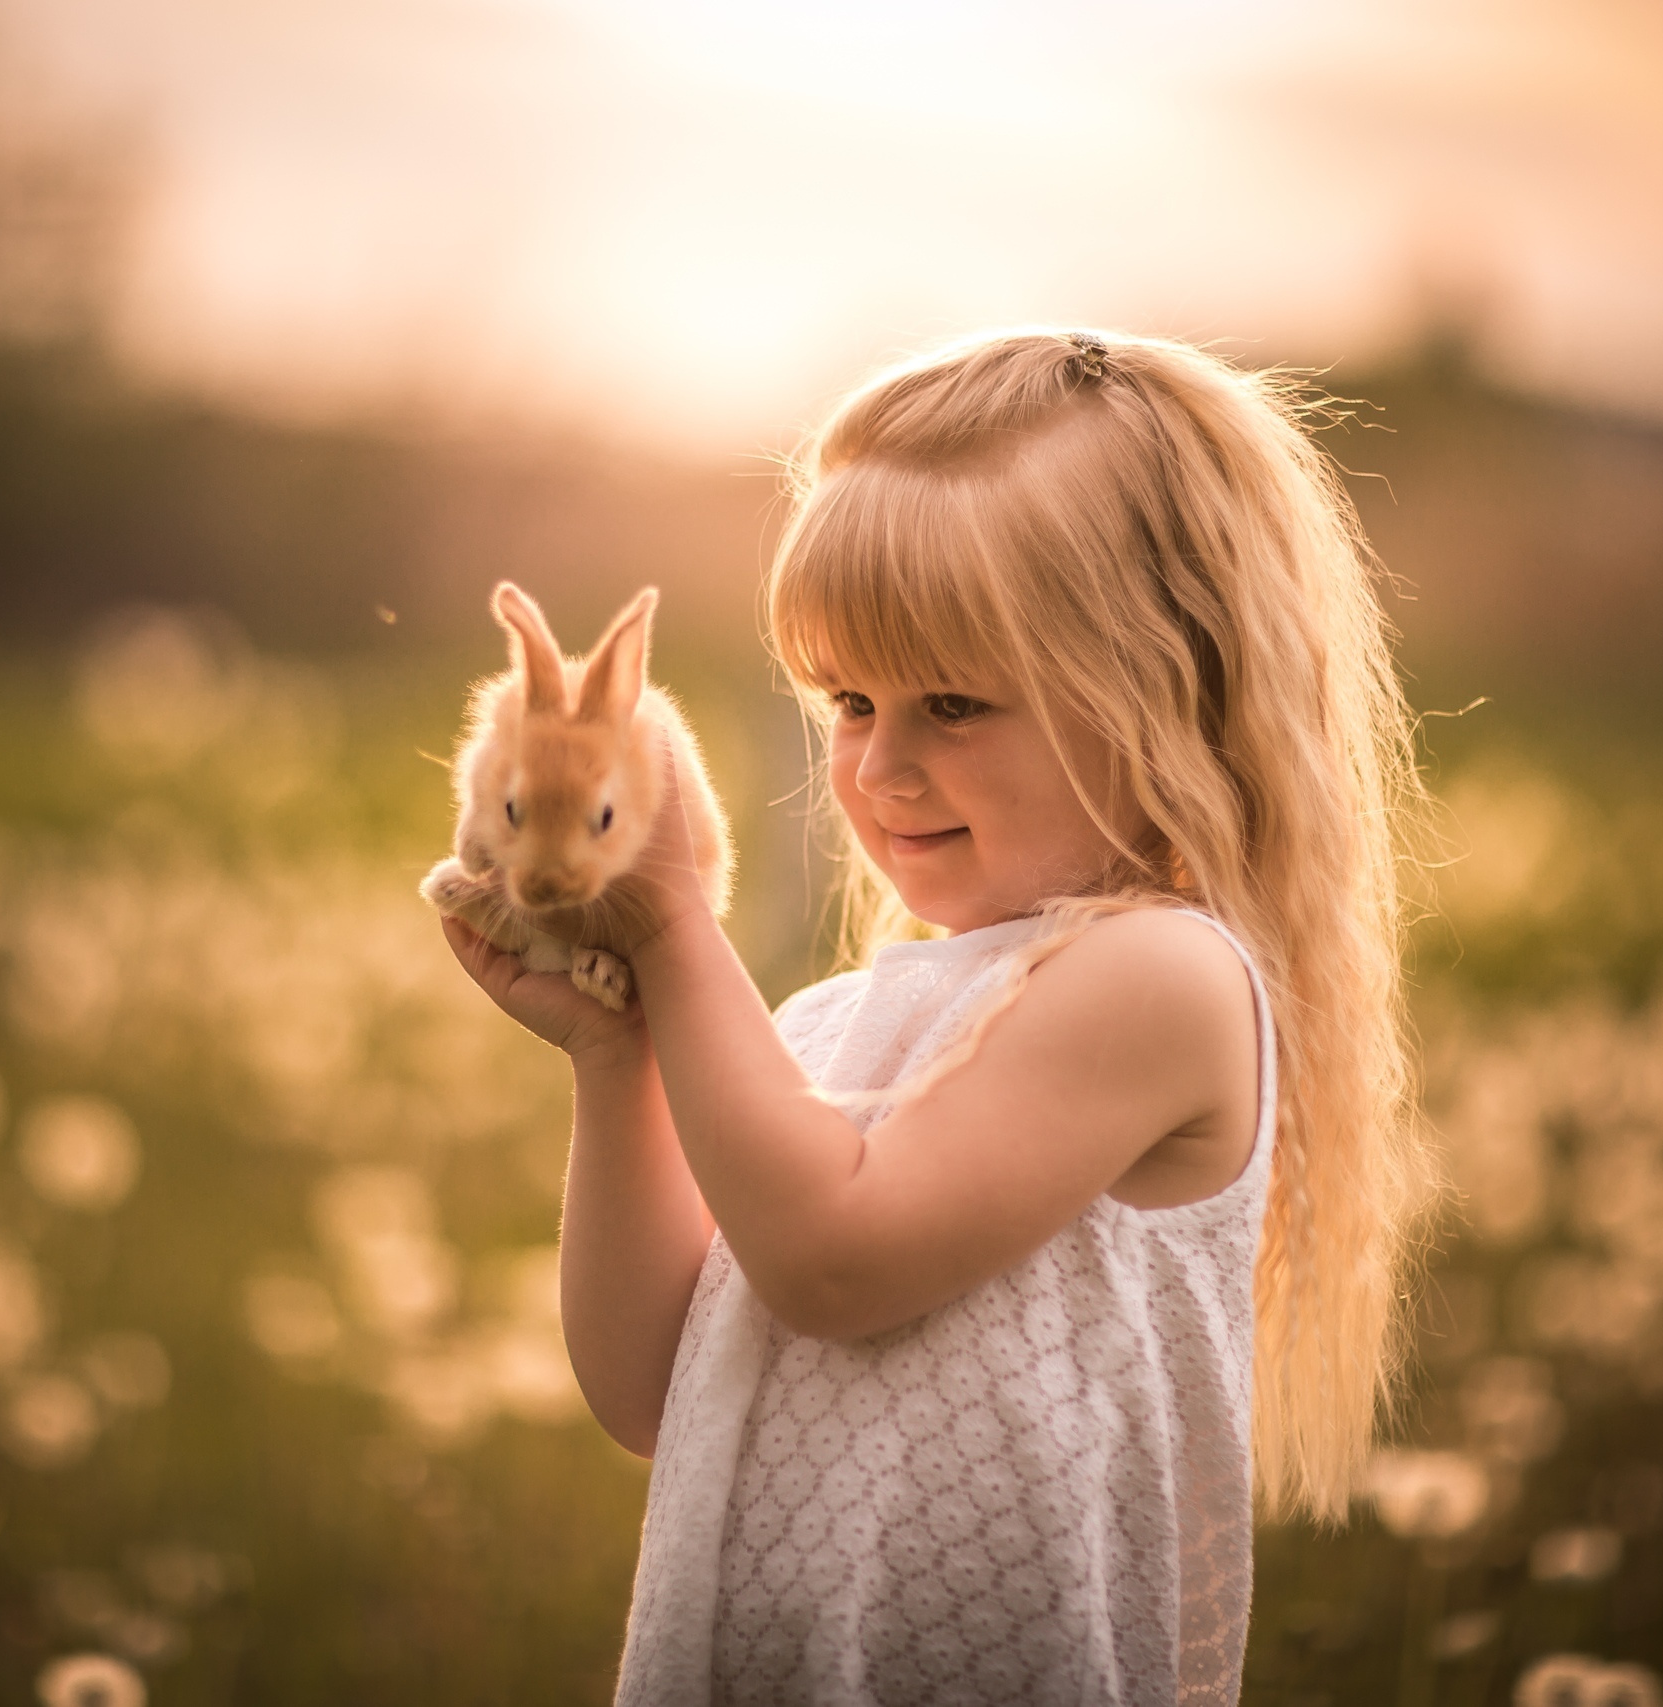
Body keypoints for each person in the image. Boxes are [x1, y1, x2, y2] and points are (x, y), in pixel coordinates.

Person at [438, 328, 1436, 1706]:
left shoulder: (1164, 980)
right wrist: (621, 1056)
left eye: (954, 703)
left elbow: (836, 1260)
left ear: (1168, 700)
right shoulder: (839, 1024)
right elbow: (656, 1390)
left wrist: (671, 929)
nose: (883, 765)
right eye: (849, 701)